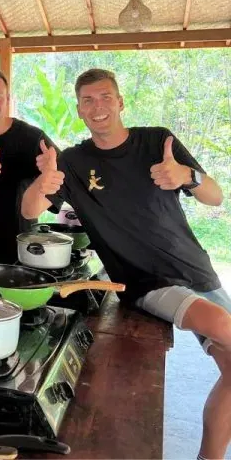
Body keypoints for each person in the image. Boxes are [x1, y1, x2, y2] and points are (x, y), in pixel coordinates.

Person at [21, 68, 229, 460]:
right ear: (79, 110)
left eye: (104, 97)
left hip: (197, 268)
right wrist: (42, 182)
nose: (97, 106)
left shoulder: (157, 141)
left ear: (120, 102)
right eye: (87, 100)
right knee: (221, 324)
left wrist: (187, 174)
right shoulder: (74, 161)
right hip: (146, 283)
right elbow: (30, 211)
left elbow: (215, 197)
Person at [0, 69, 60, 264]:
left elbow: (66, 177)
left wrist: (48, 178)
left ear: (8, 99)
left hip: (19, 250)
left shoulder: (32, 138)